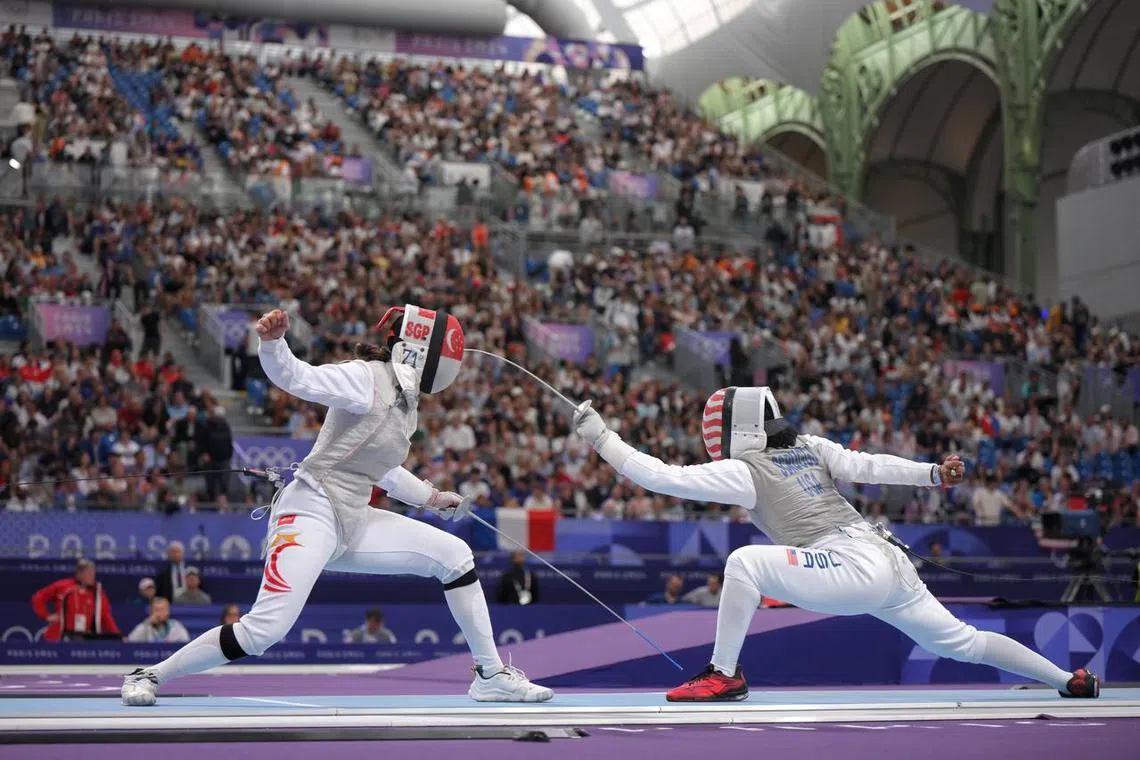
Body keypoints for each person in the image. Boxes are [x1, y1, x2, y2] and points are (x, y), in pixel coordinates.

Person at [122, 305, 551, 705]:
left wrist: (433, 498)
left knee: (455, 556)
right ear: (423, 351)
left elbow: (382, 468)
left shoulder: (406, 403)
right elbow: (299, 378)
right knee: (264, 630)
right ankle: (150, 675)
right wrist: (273, 345)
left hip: (352, 517)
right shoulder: (366, 377)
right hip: (310, 510)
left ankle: (490, 676)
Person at [573, 385, 1100, 701]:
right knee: (961, 641)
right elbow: (870, 465)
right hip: (887, 561)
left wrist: (601, 436)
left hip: (852, 564)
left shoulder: (745, 470)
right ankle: (1067, 680)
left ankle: (724, 675)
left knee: (743, 563)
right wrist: (933, 473)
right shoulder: (810, 447)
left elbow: (659, 477)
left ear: (741, 429)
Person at [31, 559, 121, 641]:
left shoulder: (98, 592)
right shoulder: (63, 587)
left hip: (83, 640)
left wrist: (117, 636)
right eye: (89, 573)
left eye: (93, 572)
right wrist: (46, 616)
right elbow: (38, 598)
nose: (92, 576)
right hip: (58, 638)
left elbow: (106, 616)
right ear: (79, 574)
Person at [126, 597, 190, 644]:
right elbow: (130, 642)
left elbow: (186, 644)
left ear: (168, 611)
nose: (159, 613)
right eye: (156, 610)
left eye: (162, 610)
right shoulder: (145, 626)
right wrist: (148, 623)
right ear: (151, 612)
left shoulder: (176, 625)